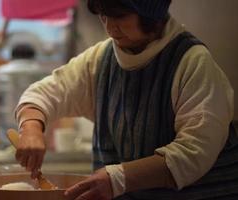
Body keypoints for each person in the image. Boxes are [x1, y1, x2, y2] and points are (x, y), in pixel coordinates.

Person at [13, 0, 238, 199]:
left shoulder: (192, 63)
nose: (110, 27)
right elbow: (43, 94)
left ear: (151, 15)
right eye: (104, 14)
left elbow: (193, 154)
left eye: (120, 15)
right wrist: (32, 128)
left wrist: (118, 178)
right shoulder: (101, 59)